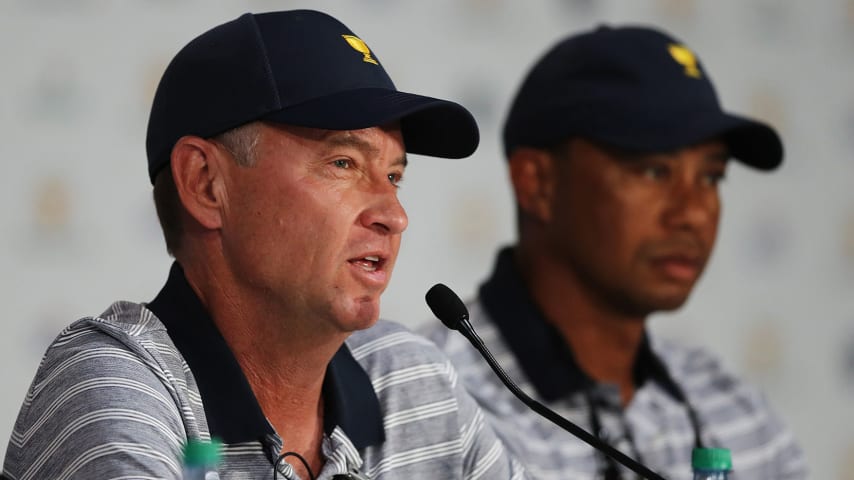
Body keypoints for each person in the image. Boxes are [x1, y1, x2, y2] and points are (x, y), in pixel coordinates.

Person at [2, 10, 528, 480]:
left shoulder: (409, 378)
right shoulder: (113, 386)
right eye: (343, 163)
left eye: (394, 176)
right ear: (207, 184)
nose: (394, 215)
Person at [423, 24, 808, 479]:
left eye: (711, 177)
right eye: (653, 171)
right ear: (537, 183)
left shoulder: (736, 411)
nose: (693, 213)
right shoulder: (427, 395)